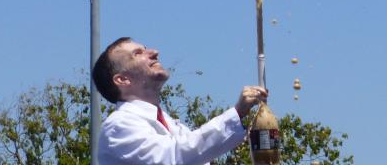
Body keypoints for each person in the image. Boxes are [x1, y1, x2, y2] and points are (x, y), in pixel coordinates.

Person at [93, 36, 268, 165]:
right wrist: (237, 113)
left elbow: (193, 152)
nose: (154, 52)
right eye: (138, 53)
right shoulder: (119, 126)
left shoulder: (172, 126)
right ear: (122, 80)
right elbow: (173, 157)